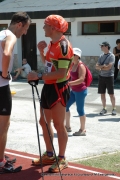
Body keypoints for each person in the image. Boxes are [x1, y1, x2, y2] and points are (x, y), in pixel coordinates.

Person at [27, 14, 73, 173]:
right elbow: (49, 64)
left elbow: (61, 73)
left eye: (45, 25)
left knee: (59, 125)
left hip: (59, 87)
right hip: (48, 86)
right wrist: (41, 51)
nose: (43, 28)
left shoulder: (63, 46)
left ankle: (62, 159)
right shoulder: (53, 43)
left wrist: (39, 76)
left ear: (53, 28)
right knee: (44, 122)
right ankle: (49, 154)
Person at [0, 12, 31, 170]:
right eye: (25, 29)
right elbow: (6, 54)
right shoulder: (10, 36)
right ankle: (0, 163)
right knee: (4, 125)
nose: (25, 33)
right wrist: (5, 74)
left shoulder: (0, 34)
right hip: (1, 85)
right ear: (19, 24)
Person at [65, 48, 87, 136]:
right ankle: (67, 126)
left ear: (77, 56)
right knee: (65, 106)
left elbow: (81, 79)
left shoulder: (81, 66)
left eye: (72, 54)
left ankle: (82, 130)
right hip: (74, 90)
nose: (70, 55)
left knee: (80, 110)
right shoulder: (73, 64)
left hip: (81, 91)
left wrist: (69, 83)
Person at [95, 42, 116, 115]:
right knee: (102, 94)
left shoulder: (112, 56)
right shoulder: (101, 56)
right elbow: (96, 67)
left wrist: (101, 67)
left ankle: (114, 108)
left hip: (109, 77)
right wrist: (103, 66)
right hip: (101, 77)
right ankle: (104, 108)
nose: (101, 47)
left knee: (111, 94)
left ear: (106, 47)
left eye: (102, 46)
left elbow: (109, 68)